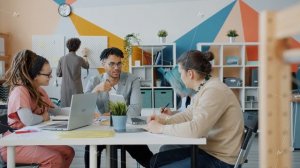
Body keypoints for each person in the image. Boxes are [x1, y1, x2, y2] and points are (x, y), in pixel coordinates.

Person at [146, 50, 244, 168]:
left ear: (190, 73)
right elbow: (188, 114)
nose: (180, 77)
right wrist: (164, 120)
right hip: (207, 150)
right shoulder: (204, 88)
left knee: (159, 165)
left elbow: (196, 130)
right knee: (155, 161)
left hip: (220, 159)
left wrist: (161, 128)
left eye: (180, 73)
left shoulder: (213, 91)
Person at [0, 50, 75, 167]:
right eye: (47, 74)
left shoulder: (40, 91)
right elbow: (28, 120)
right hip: (14, 144)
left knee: (68, 152)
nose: (51, 77)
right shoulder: (20, 91)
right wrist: (43, 117)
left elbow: (56, 110)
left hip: (31, 139)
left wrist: (78, 111)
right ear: (35, 75)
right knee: (55, 159)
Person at [84, 47, 153, 168]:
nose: (116, 68)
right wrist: (96, 90)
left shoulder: (132, 80)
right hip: (101, 130)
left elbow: (135, 109)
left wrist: (110, 116)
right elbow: (84, 109)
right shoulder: (94, 81)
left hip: (126, 128)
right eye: (112, 64)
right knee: (90, 150)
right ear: (103, 63)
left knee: (147, 159)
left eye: (119, 63)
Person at [56, 37, 89, 107]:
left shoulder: (62, 59)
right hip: (77, 88)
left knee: (65, 108)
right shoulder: (79, 59)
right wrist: (85, 55)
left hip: (65, 89)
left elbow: (58, 74)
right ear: (78, 47)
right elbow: (87, 66)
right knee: (77, 108)